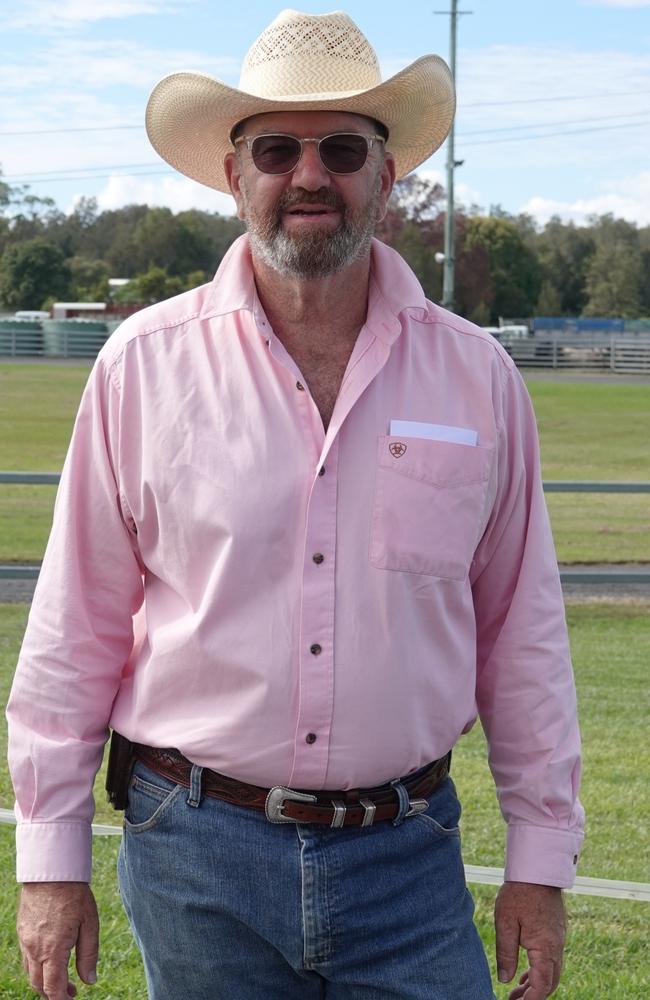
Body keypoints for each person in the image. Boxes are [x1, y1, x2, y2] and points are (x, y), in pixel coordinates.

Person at [7, 9, 584, 1000]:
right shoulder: (140, 368)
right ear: (235, 177)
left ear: (386, 177)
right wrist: (51, 862)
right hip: (194, 855)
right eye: (276, 148)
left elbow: (518, 631)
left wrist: (538, 859)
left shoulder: (477, 377)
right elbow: (78, 625)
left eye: (342, 149)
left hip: (407, 860)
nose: (309, 175)